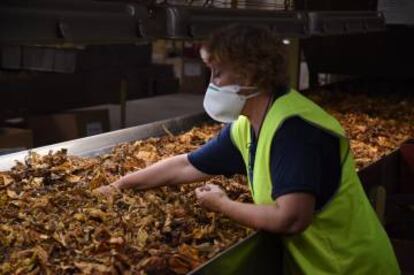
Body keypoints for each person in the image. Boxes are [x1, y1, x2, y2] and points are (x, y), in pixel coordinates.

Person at [95, 24, 400, 274]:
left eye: (218, 73)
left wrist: (222, 204)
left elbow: (291, 218)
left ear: (251, 75)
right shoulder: (248, 124)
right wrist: (120, 185)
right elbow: (188, 165)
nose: (211, 83)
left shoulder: (294, 130)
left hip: (353, 267)